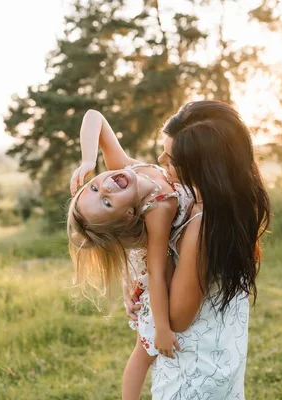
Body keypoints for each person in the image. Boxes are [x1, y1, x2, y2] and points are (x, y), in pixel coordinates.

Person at [124, 101, 271, 399]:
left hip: (193, 378)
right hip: (217, 358)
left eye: (172, 158)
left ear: (205, 167)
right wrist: (136, 286)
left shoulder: (205, 227)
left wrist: (153, 250)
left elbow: (177, 319)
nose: (161, 157)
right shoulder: (206, 198)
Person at [67, 109, 194, 399]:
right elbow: (158, 271)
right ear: (126, 217)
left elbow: (94, 116)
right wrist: (162, 328)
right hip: (153, 278)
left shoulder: (126, 170)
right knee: (144, 348)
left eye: (96, 186)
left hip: (147, 270)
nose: (108, 186)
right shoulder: (158, 208)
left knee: (144, 346)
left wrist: (88, 159)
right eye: (108, 202)